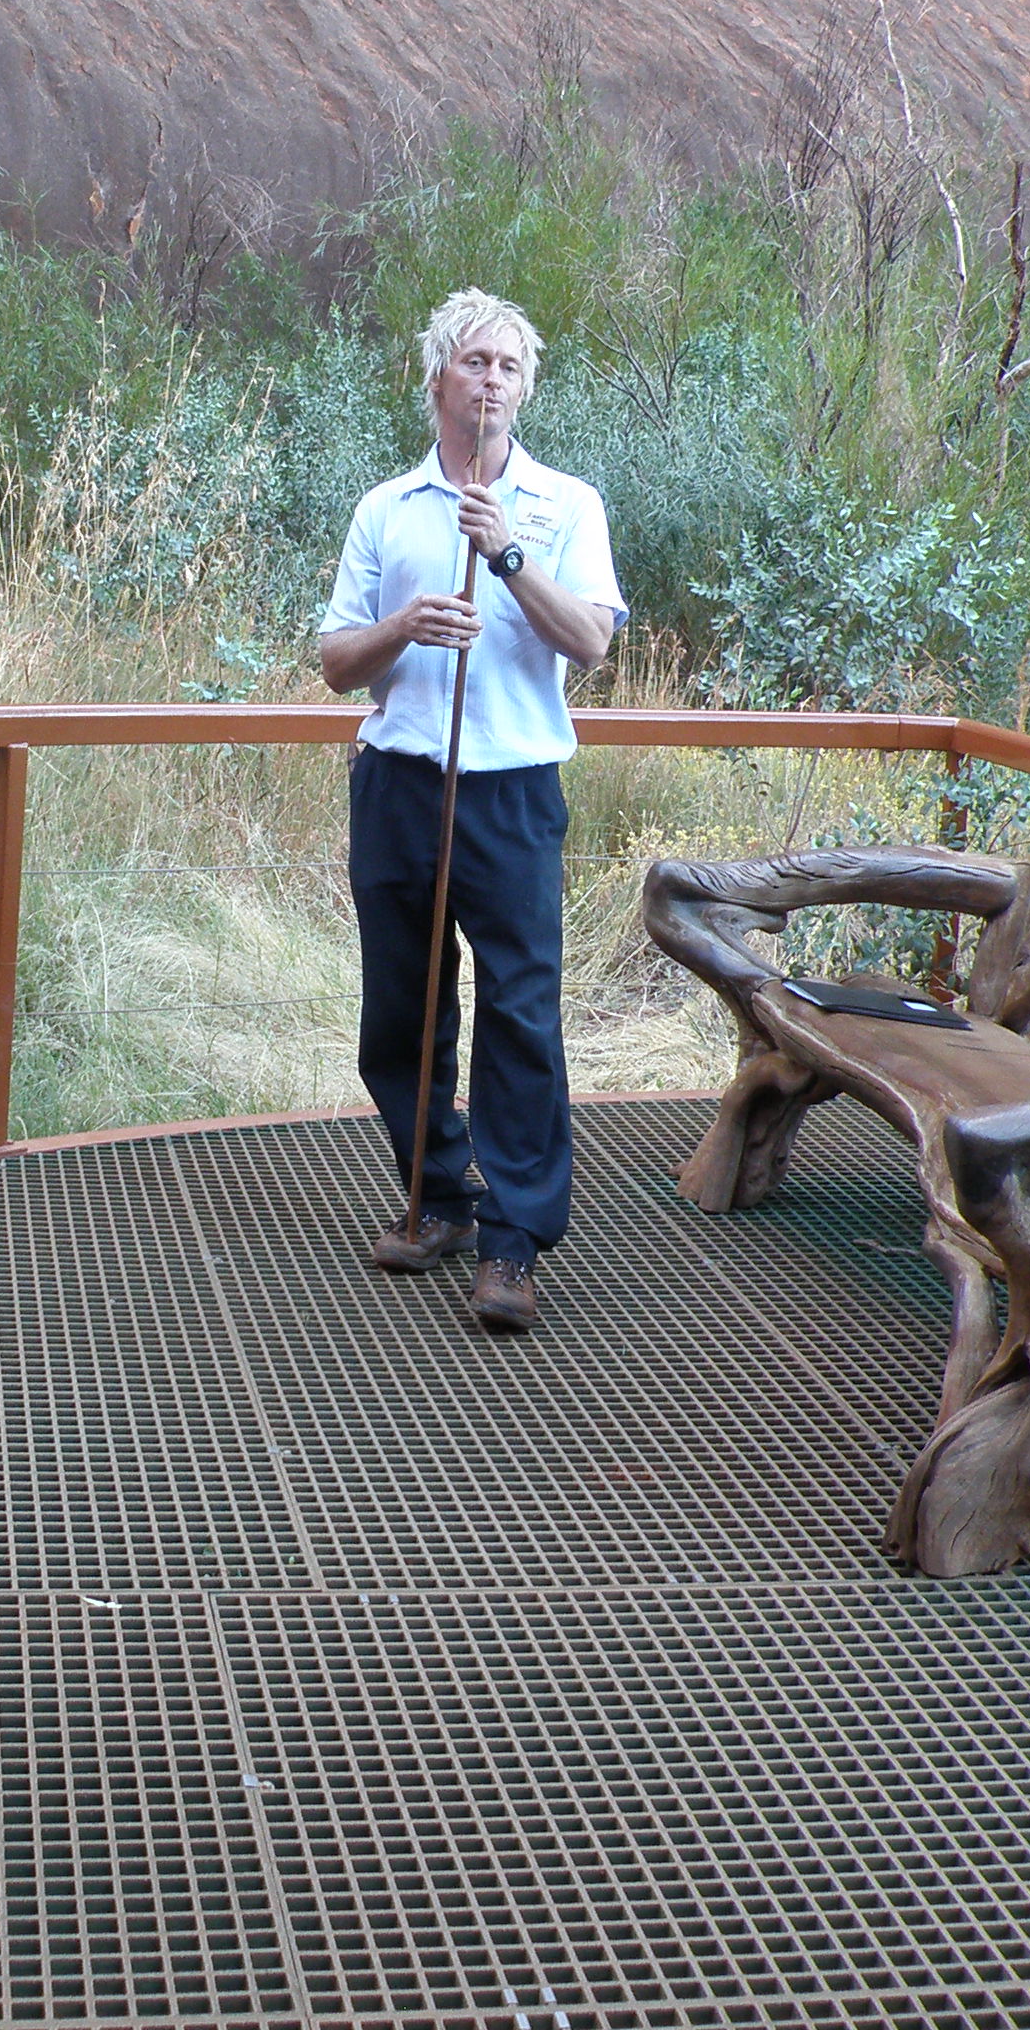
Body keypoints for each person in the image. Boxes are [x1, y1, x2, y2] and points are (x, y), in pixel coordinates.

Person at [318, 288, 624, 1333]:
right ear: (438, 378)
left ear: (523, 389)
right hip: (401, 782)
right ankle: (435, 1196)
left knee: (522, 1015)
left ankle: (514, 1240)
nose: (492, 381)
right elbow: (334, 662)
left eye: (509, 367)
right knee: (400, 1014)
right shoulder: (386, 510)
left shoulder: (564, 507)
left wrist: (506, 556)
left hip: (513, 790)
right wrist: (406, 623)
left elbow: (588, 641)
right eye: (475, 363)